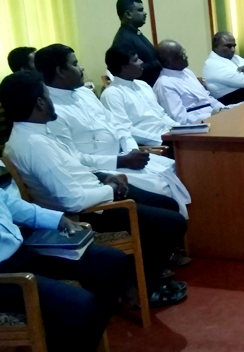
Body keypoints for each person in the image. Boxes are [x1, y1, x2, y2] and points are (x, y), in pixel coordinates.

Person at [0, 71, 188, 307]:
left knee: (167, 204)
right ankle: (143, 290)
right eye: (48, 95)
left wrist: (103, 175)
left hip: (95, 190)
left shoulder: (38, 132)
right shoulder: (34, 144)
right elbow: (72, 200)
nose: (51, 100)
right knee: (171, 223)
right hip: (88, 210)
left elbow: (74, 163)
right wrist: (110, 188)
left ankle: (138, 277)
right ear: (40, 102)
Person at [33, 44, 191, 217]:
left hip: (124, 156)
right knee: (162, 189)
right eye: (75, 64)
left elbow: (118, 125)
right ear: (60, 71)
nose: (81, 68)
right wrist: (121, 161)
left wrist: (132, 151)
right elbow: (74, 159)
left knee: (180, 170)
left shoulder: (85, 93)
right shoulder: (51, 110)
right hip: (102, 170)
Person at [0, 187, 127, 352]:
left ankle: (83, 342)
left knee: (110, 261)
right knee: (78, 303)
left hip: (21, 252)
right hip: (5, 274)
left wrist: (58, 220)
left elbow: (14, 205)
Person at [101, 45, 179, 146]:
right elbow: (125, 130)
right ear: (124, 67)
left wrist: (181, 130)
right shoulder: (112, 94)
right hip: (154, 144)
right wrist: (162, 139)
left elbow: (162, 116)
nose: (141, 62)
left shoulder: (143, 85)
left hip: (170, 137)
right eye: (135, 60)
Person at [154, 40, 226, 124]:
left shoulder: (187, 72)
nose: (186, 57)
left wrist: (224, 109)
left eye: (184, 53)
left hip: (214, 116)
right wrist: (210, 115)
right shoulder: (164, 84)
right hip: (199, 125)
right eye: (181, 55)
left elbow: (207, 98)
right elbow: (180, 119)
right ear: (169, 60)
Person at [202, 32, 244, 105]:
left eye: (234, 46)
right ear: (216, 47)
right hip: (236, 106)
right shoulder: (211, 64)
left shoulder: (234, 58)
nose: (232, 49)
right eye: (228, 46)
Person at [112, 0, 162, 87]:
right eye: (140, 10)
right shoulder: (123, 40)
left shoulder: (135, 33)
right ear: (128, 14)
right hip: (141, 89)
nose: (145, 13)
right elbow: (130, 70)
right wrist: (158, 63)